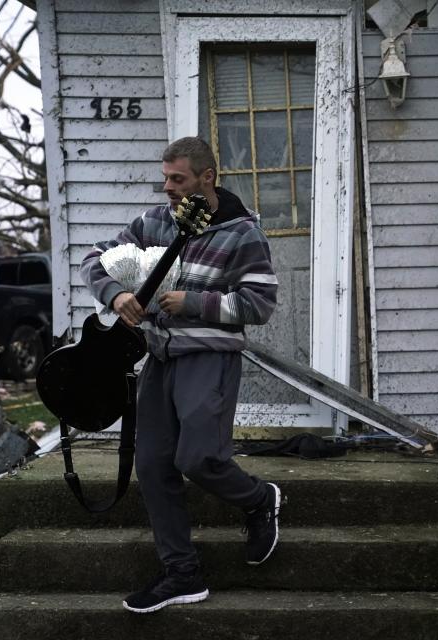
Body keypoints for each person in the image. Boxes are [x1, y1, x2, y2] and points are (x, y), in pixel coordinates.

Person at [80, 136, 281, 614]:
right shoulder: (152, 223)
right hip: (158, 358)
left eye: (178, 179)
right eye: (165, 177)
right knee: (151, 466)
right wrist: (115, 295)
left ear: (206, 178)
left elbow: (261, 303)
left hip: (209, 356)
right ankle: (182, 573)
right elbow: (94, 259)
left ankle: (257, 500)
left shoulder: (242, 233)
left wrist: (195, 303)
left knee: (199, 458)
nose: (167, 187)